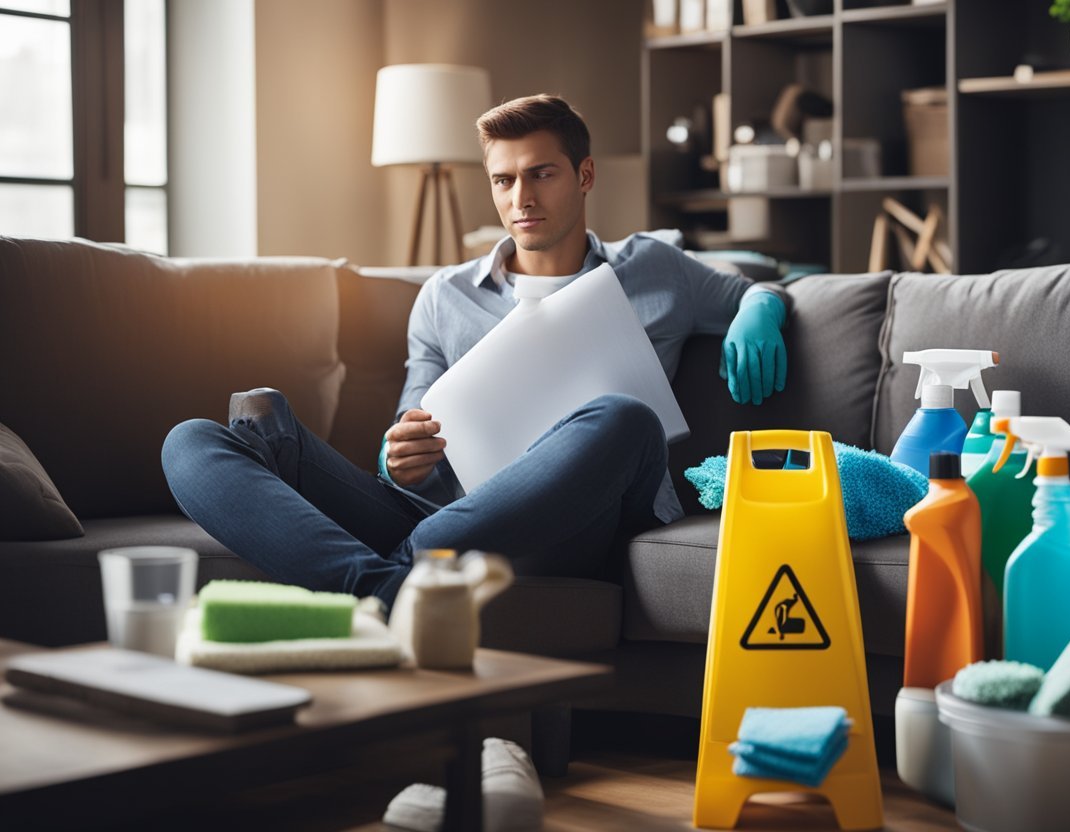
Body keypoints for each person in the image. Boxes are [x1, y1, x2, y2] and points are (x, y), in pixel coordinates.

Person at [161, 94, 790, 613]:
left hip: (578, 523)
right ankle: (384, 590)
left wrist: (759, 310)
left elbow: (758, 287)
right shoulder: (445, 296)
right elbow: (408, 429)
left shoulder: (654, 268)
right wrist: (398, 455)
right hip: (446, 515)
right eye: (504, 179)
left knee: (626, 419)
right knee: (189, 441)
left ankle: (395, 575)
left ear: (585, 176)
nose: (522, 198)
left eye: (542, 173)